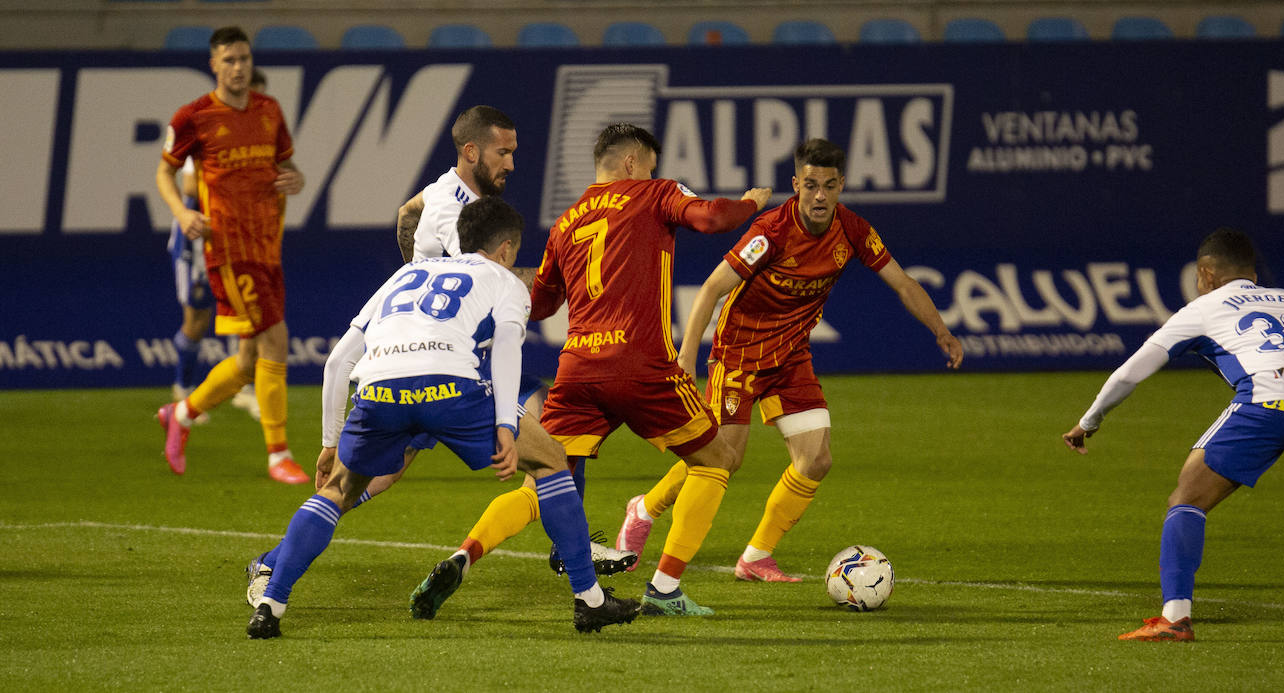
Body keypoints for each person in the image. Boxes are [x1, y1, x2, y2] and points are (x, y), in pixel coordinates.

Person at [244, 197, 640, 638]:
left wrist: (329, 441)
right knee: (550, 459)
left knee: (338, 490)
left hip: (378, 391)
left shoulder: (404, 275)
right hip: (451, 388)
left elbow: (337, 363)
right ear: (506, 248)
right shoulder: (503, 280)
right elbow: (508, 349)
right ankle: (590, 600)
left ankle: (270, 603)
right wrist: (507, 428)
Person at [615, 138, 963, 581]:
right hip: (739, 354)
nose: (820, 195)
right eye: (811, 185)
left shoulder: (852, 229)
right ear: (796, 184)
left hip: (790, 356)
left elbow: (902, 283)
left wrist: (941, 331)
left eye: (830, 186)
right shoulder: (770, 232)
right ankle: (644, 509)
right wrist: (686, 357)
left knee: (816, 459)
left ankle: (756, 557)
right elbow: (711, 289)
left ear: (842, 186)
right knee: (722, 458)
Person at [1061, 227, 1284, 641]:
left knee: (1187, 498)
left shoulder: (1204, 307)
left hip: (1270, 400)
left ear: (1206, 273)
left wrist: (1090, 421)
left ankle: (1175, 618)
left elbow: (1131, 371)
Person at [529, 122, 772, 616]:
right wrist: (751, 205)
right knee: (717, 459)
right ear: (633, 163)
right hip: (642, 367)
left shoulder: (565, 222)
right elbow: (710, 217)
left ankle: (462, 555)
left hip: (577, 370)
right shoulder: (652, 193)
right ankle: (664, 588)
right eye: (653, 166)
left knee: (545, 475)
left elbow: (540, 306)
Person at [154, 27, 308, 484]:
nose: (238, 67)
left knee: (247, 361)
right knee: (276, 341)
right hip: (228, 249)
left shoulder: (269, 111)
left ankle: (181, 413)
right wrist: (182, 212)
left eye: (244, 58)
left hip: (268, 246)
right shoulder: (194, 116)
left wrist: (294, 179)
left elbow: (286, 167)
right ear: (214, 65)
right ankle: (278, 453)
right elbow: (165, 172)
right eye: (229, 60)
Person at [168, 68, 269, 422]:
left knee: (250, 315)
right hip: (198, 245)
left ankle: (244, 388)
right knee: (197, 320)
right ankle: (183, 389)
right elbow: (190, 187)